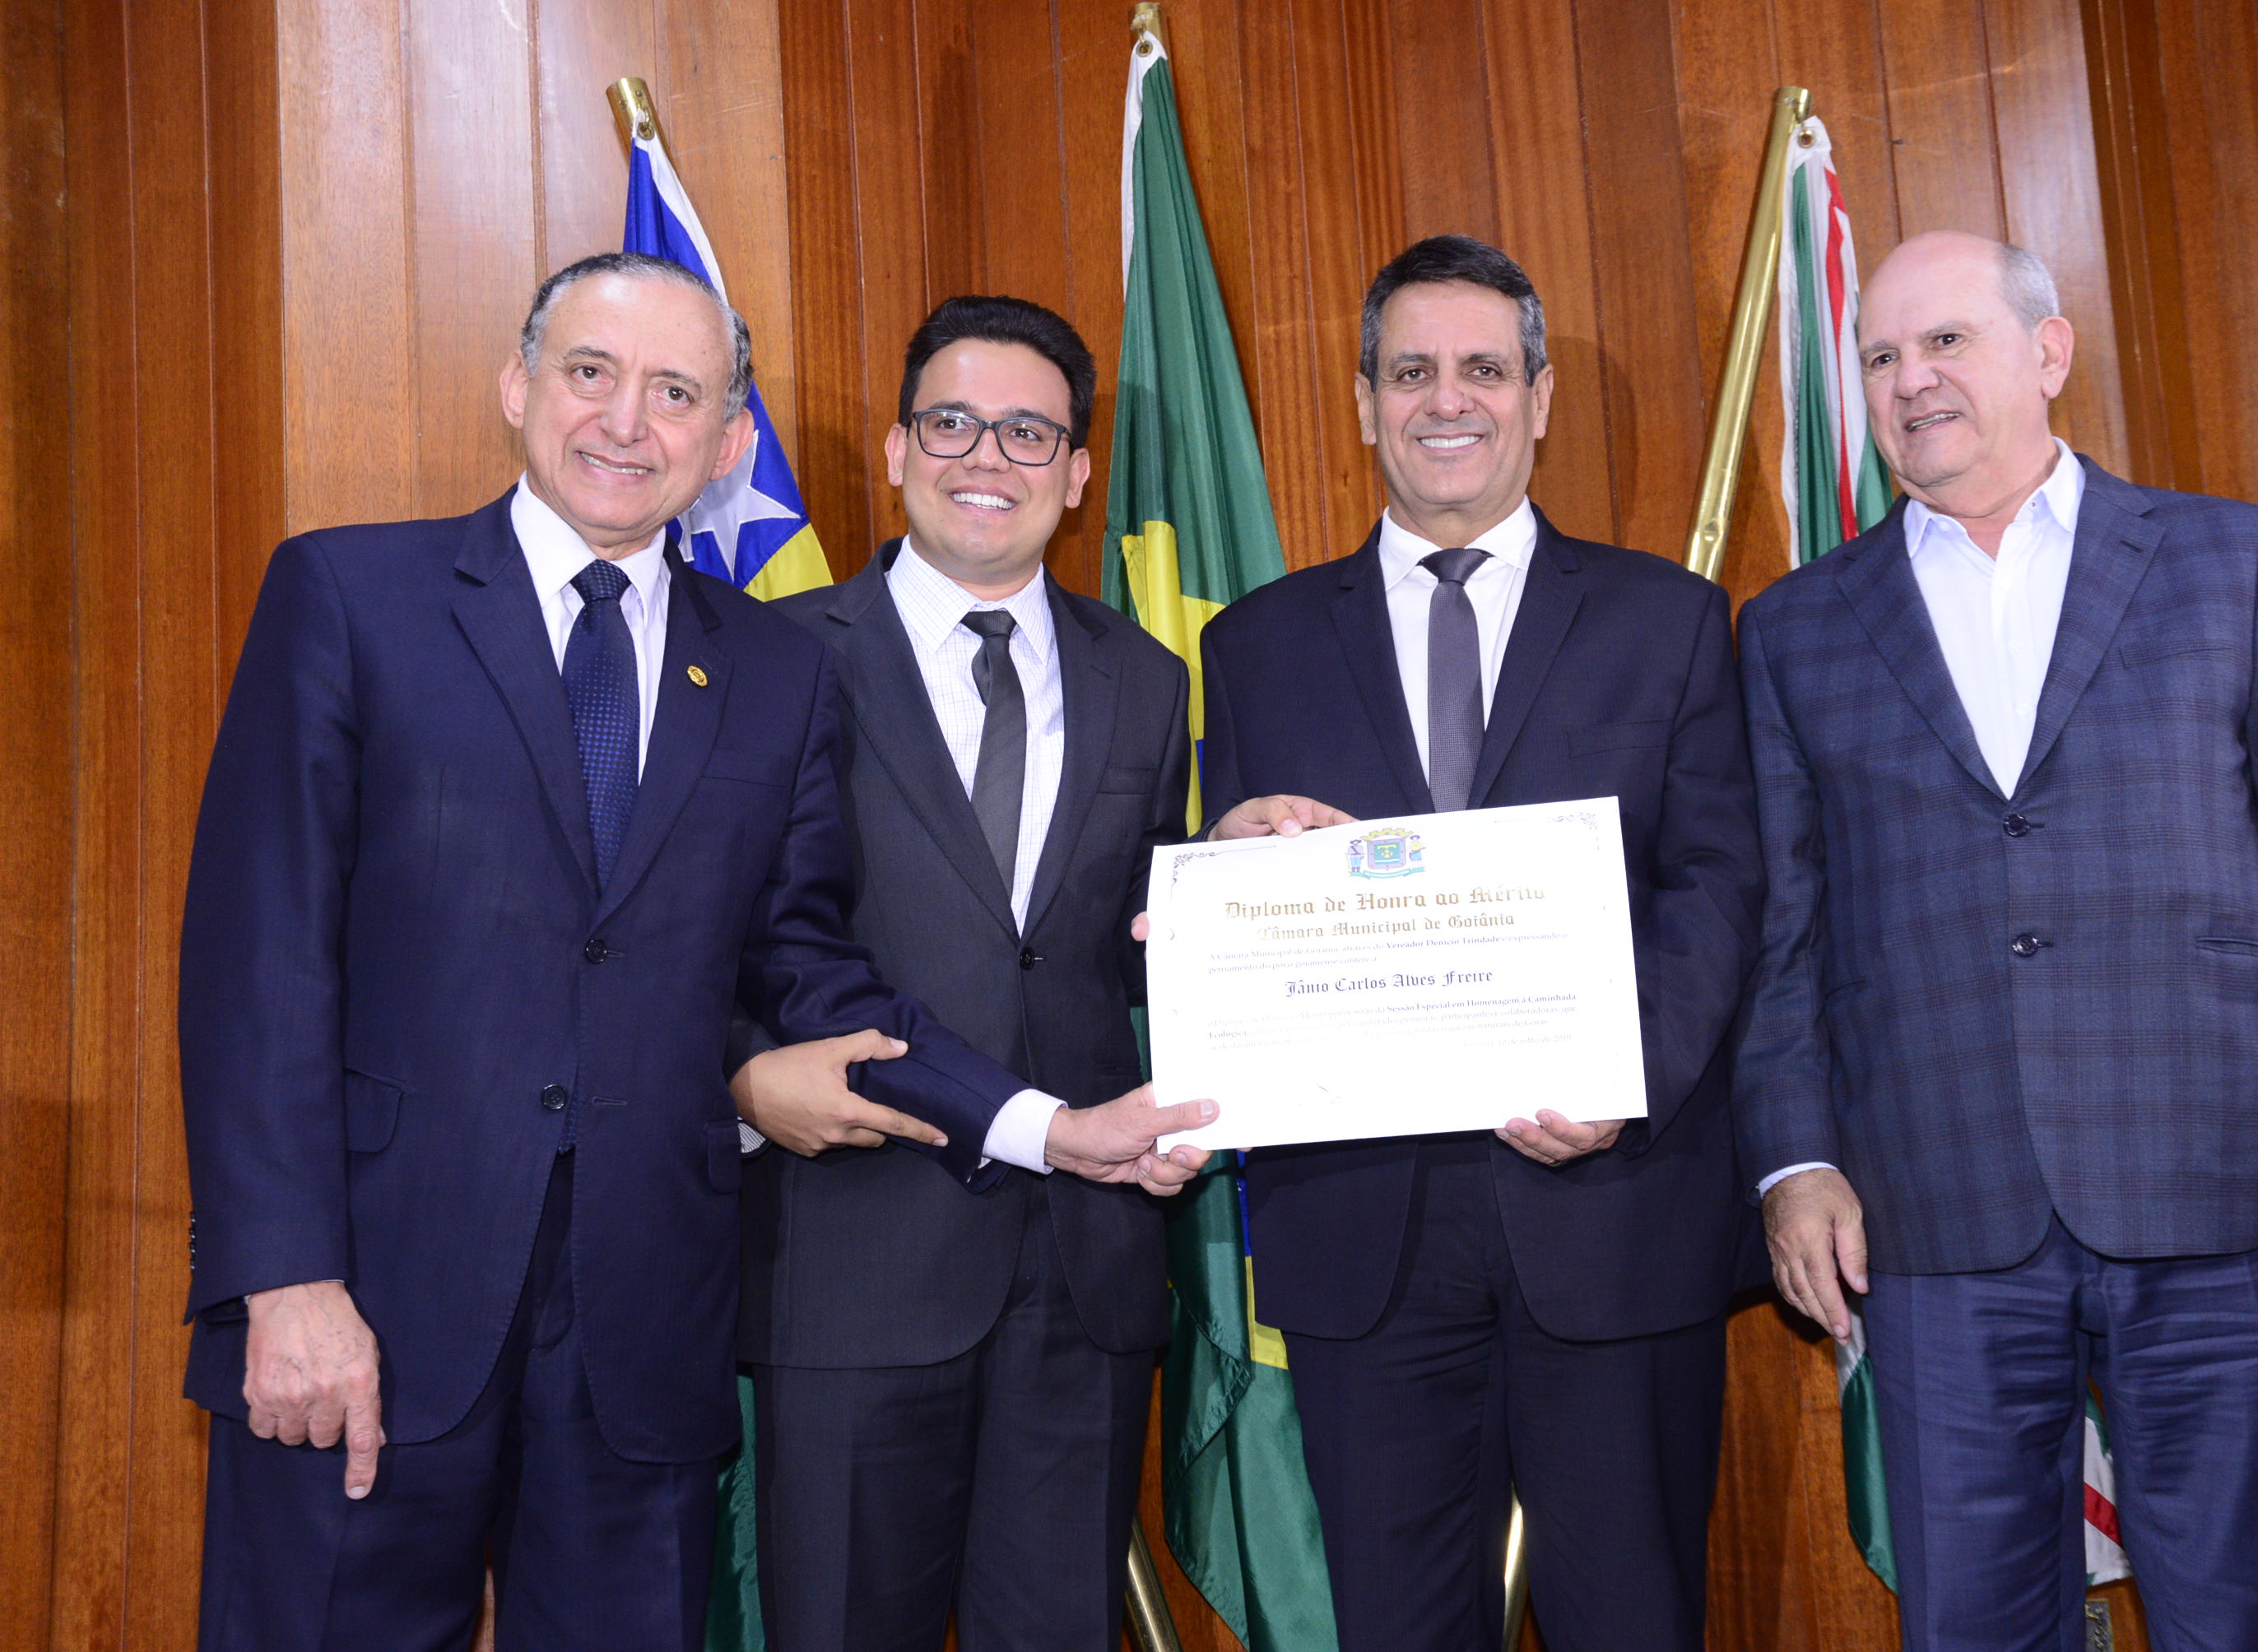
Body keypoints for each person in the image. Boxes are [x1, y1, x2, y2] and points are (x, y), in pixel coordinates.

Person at [178, 253, 1206, 1652]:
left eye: (676, 393)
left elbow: (806, 969)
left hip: (645, 1331)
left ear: (727, 445)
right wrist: (286, 1280)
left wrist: (1042, 1127)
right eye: (590, 374)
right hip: (371, 1301)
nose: (626, 422)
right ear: (517, 387)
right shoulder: (354, 596)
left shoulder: (776, 670)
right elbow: (258, 968)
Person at [1735, 230, 2258, 1651]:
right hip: (1934, 1210)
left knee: (2249, 1609)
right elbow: (1784, 931)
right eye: (1881, 356)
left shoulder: (2229, 557)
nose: (1911, 380)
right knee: (1973, 1623)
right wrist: (1796, 1164)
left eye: (1948, 341)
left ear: (2048, 353)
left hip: (2220, 1192)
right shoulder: (1796, 627)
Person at [1192, 234, 1764, 1652]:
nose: (1447, 400)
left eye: (1484, 370)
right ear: (1364, 403)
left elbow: (1717, 887)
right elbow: (1230, 915)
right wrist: (1227, 861)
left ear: (1539, 396)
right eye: (1411, 372)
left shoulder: (1669, 621)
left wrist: (1621, 1080)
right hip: (1362, 1232)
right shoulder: (1256, 645)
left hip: (1611, 1209)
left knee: (1631, 1621)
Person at [728, 295, 1196, 1650]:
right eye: (951, 423)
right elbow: (733, 942)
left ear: (1078, 473)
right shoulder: (766, 657)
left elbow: (1124, 943)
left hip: (1085, 1276)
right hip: (854, 1258)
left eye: (1028, 432)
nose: (987, 456)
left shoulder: (1146, 676)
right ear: (895, 449)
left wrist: (1240, 875)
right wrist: (745, 1078)